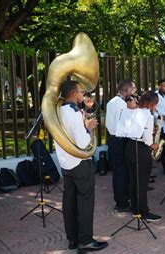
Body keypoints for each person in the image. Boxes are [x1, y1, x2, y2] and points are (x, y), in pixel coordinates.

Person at [55, 80, 107, 251]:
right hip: (79, 162)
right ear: (73, 93)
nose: (83, 95)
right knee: (85, 201)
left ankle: (73, 239)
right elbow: (83, 142)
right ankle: (85, 240)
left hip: (65, 162)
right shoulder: (73, 112)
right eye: (81, 92)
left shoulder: (58, 110)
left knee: (69, 201)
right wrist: (89, 128)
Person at [121, 91, 162, 221]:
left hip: (130, 147)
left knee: (133, 179)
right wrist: (154, 145)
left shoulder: (133, 111)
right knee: (142, 181)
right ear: (151, 103)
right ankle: (143, 211)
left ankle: (135, 208)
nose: (156, 106)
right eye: (155, 104)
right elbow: (147, 139)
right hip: (141, 149)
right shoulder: (148, 115)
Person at [106, 80, 133, 213]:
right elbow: (127, 124)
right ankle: (122, 202)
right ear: (125, 90)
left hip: (113, 139)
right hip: (120, 140)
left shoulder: (111, 102)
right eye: (132, 90)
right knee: (122, 173)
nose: (133, 92)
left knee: (118, 172)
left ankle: (120, 200)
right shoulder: (123, 104)